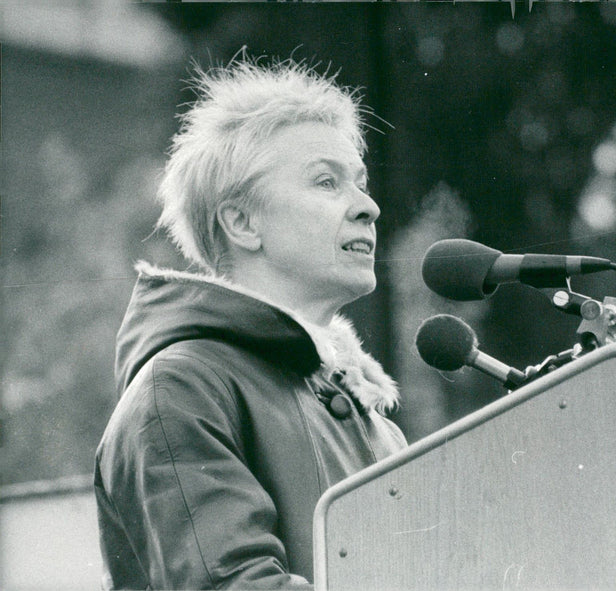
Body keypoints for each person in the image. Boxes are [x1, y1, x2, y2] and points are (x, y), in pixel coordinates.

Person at [93, 57, 407, 589]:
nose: (368, 207)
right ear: (241, 222)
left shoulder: (379, 424)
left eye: (361, 182)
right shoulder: (180, 389)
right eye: (327, 182)